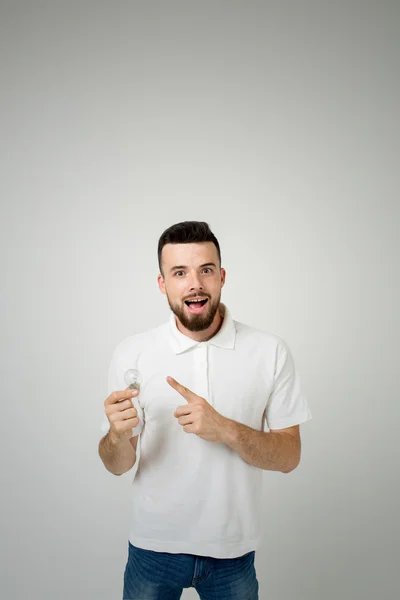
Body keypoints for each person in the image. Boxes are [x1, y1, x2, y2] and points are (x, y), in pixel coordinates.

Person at [98, 221, 312, 600]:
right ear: (163, 283)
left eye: (206, 270)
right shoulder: (132, 353)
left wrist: (226, 429)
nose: (194, 283)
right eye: (179, 272)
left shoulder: (269, 351)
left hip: (233, 553)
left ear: (222, 277)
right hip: (152, 549)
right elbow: (117, 464)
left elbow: (290, 456)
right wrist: (116, 435)